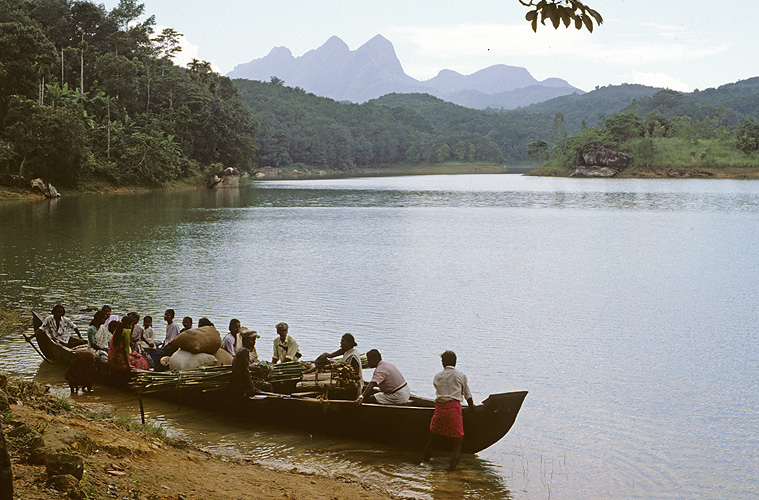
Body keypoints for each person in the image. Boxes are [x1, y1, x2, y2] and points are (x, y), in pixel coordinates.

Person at [421, 350, 475, 472]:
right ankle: (450, 471)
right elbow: (468, 395)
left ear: (443, 363)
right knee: (457, 443)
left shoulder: (438, 376)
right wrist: (472, 409)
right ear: (455, 362)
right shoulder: (460, 375)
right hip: (453, 411)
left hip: (439, 410)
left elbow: (438, 388)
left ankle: (424, 463)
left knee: (432, 439)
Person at [231, 331, 272, 395]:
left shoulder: (241, 350)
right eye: (252, 340)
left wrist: (257, 368)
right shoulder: (244, 351)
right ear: (246, 340)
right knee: (268, 385)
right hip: (241, 382)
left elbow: (245, 366)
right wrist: (252, 388)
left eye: (254, 340)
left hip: (238, 380)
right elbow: (245, 371)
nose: (254, 343)